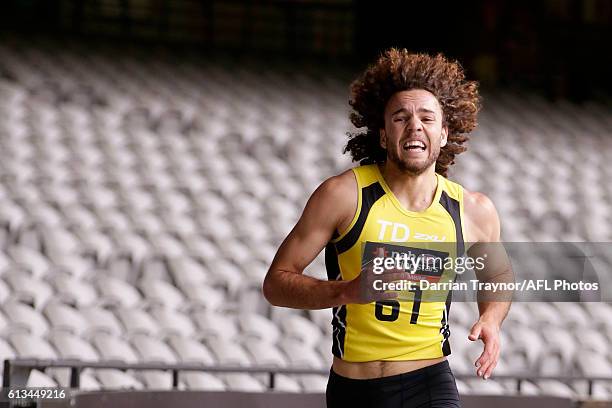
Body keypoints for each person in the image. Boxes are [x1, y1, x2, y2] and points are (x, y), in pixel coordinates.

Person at [263, 48, 512, 408]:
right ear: (382, 135)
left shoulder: (473, 210)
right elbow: (276, 284)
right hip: (353, 390)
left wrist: (491, 317)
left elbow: (499, 275)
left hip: (428, 386)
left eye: (427, 118)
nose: (415, 125)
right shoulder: (343, 195)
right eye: (401, 117)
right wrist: (346, 291)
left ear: (443, 134)